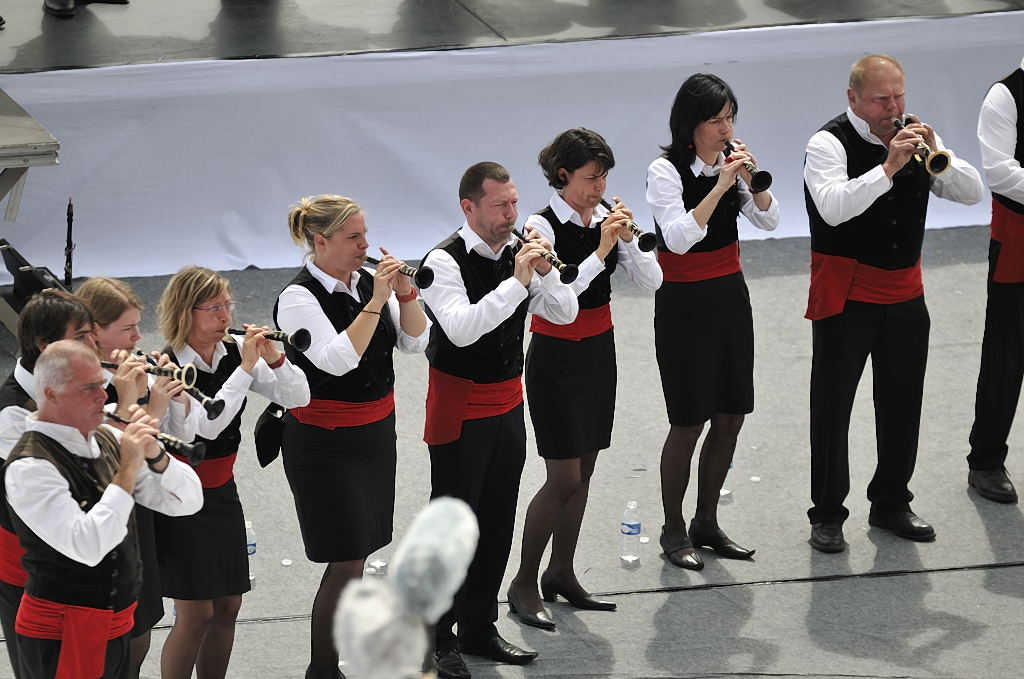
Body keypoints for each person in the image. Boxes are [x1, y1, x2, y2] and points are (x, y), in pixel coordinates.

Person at [803, 54, 983, 552]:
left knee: (903, 402)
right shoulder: (826, 143)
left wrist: (934, 149)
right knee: (833, 406)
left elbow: (971, 192)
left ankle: (890, 501)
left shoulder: (919, 137)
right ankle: (827, 512)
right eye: (881, 99)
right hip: (848, 295)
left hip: (906, 294)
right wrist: (889, 166)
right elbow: (833, 208)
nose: (893, 107)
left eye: (898, 95)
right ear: (853, 99)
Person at [420, 161, 578, 679]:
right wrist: (517, 281)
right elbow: (463, 330)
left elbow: (565, 313)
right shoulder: (441, 262)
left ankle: (479, 628)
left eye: (514, 202)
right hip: (459, 405)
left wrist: (547, 272)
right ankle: (437, 640)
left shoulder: (521, 251)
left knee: (496, 520)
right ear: (469, 207)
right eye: (500, 205)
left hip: (508, 401)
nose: (513, 214)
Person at [507, 128, 661, 628]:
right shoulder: (539, 226)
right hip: (556, 354)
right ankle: (523, 581)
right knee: (563, 476)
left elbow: (652, 281)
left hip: (600, 351)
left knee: (586, 471)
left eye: (605, 177)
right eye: (592, 177)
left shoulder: (604, 221)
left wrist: (631, 242)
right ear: (563, 175)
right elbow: (564, 299)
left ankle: (561, 572)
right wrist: (601, 248)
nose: (600, 187)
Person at [274, 194, 429, 679]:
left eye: (365, 234)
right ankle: (322, 670)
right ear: (320, 241)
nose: (366, 246)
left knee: (357, 556)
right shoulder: (298, 298)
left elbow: (415, 342)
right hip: (325, 443)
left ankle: (327, 667)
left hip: (373, 435)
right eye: (353, 237)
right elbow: (339, 360)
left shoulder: (365, 282)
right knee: (345, 561)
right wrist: (378, 298)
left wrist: (405, 294)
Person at [1, 340, 203, 679]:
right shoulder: (29, 465)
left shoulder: (105, 438)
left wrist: (155, 454)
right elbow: (87, 545)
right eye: (89, 388)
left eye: (102, 383)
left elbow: (186, 501)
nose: (102, 396)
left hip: (114, 623)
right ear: (51, 395)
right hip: (63, 634)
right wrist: (126, 469)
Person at [646, 73, 778, 570]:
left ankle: (706, 520)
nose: (726, 129)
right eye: (716, 120)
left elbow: (769, 221)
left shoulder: (731, 166)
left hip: (728, 296)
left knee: (730, 414)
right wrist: (719, 184)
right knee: (687, 422)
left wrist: (749, 183)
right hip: (683, 303)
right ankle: (673, 528)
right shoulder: (665, 171)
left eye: (730, 119)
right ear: (691, 124)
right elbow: (677, 238)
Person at [154, 265, 310, 679]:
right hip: (179, 495)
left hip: (222, 489)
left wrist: (276, 360)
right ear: (186, 312)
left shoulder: (232, 352)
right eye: (215, 308)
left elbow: (299, 397)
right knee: (195, 612)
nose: (226, 316)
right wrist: (245, 369)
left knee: (228, 605)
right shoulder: (170, 366)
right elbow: (206, 425)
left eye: (229, 305)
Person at [76, 275, 199, 678]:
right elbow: (111, 456)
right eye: (127, 328)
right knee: (116, 644)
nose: (137, 337)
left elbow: (175, 443)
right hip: (100, 519)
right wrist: (149, 405)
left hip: (139, 514)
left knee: (140, 630)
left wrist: (167, 401)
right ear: (93, 332)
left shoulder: (127, 374)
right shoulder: (85, 385)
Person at [0, 290, 97, 679]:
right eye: (83, 336)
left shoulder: (72, 384)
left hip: (78, 558)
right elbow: (71, 472)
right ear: (47, 346)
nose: (94, 345)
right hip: (28, 568)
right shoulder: (10, 410)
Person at [967, 54, 1024, 504]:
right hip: (1019, 242)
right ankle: (985, 461)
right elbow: (999, 173)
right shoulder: (1006, 94)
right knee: (1006, 356)